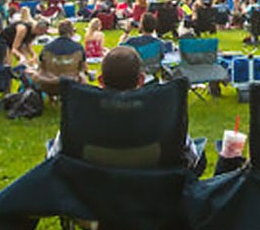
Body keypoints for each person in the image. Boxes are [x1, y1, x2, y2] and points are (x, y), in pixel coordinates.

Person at [46, 46, 206, 173]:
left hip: (90, 199)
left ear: (101, 81)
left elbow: (54, 158)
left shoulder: (82, 113)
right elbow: (191, 160)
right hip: (153, 196)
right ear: (141, 79)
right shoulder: (162, 112)